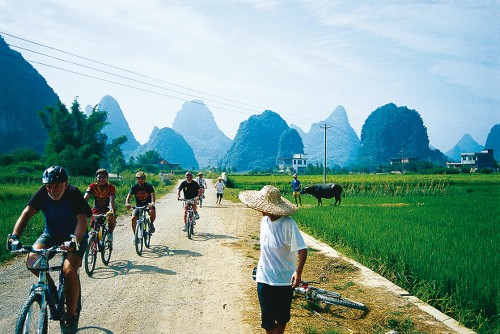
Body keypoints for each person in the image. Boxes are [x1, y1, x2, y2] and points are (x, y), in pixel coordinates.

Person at [7, 166, 91, 333]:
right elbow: (26, 213)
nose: (52, 190)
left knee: (68, 271)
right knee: (32, 261)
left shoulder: (73, 193)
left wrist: (74, 241)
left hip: (74, 237)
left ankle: (71, 315)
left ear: (65, 184)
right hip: (50, 235)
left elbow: (82, 220)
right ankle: (51, 287)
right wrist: (14, 237)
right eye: (49, 186)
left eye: (56, 185)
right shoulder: (42, 193)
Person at [239, 185, 307, 334]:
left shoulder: (288, 224)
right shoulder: (264, 222)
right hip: (264, 278)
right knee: (268, 321)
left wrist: (298, 273)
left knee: (282, 319)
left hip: (283, 280)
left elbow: (302, 249)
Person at [84, 168, 117, 243]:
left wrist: (111, 210)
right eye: (99, 177)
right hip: (97, 208)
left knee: (111, 216)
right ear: (96, 178)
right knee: (93, 226)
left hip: (108, 207)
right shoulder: (92, 186)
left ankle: (110, 233)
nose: (101, 179)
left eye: (104, 177)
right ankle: (96, 240)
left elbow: (111, 200)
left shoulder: (111, 187)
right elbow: (85, 198)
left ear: (107, 178)